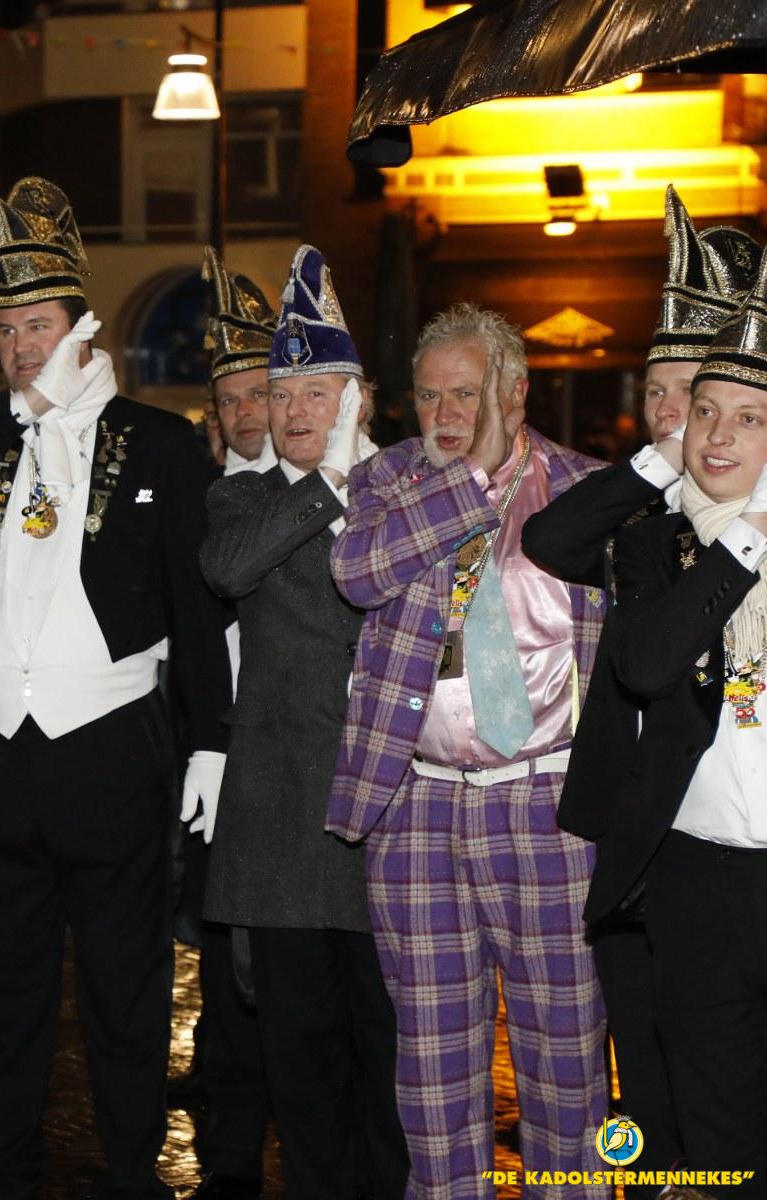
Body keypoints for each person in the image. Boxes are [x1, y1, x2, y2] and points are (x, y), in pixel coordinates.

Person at [0, 177, 231, 1200]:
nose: (19, 345)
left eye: (37, 326)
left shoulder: (159, 443)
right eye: (7, 330)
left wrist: (212, 741)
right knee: (5, 987)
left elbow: (195, 603)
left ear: (84, 328)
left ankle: (130, 1173)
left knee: (125, 988)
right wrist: (21, 411)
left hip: (109, 746)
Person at [328, 303, 609, 1197]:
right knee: (434, 1068)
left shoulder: (587, 488)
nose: (445, 414)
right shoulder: (387, 482)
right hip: (417, 804)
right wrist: (471, 482)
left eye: (466, 394)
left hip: (551, 804)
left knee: (566, 1060)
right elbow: (358, 574)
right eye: (428, 396)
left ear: (516, 392)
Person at [522, 187, 760, 1192]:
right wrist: (662, 461)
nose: (677, 417)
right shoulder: (649, 529)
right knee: (661, 1071)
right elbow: (549, 540)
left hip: (721, 832)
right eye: (666, 397)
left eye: (693, 397)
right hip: (645, 828)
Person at [198, 245, 405, 1200]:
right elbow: (228, 568)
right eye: (281, 397)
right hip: (280, 825)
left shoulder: (405, 487)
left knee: (388, 1048)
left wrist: (359, 479)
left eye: (314, 394)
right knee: (300, 1057)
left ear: (356, 400)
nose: (290, 413)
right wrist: (328, 484)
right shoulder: (243, 495)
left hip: (388, 819)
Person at [590, 253, 767, 1193]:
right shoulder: (660, 543)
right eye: (705, 412)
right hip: (698, 880)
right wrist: (746, 541)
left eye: (750, 417)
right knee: (717, 1138)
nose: (719, 435)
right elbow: (647, 664)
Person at [171, 247, 273, 1199]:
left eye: (259, 394)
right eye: (230, 399)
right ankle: (233, 1157)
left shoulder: (337, 489)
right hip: (218, 764)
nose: (245, 413)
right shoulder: (194, 505)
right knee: (222, 959)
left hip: (304, 763)